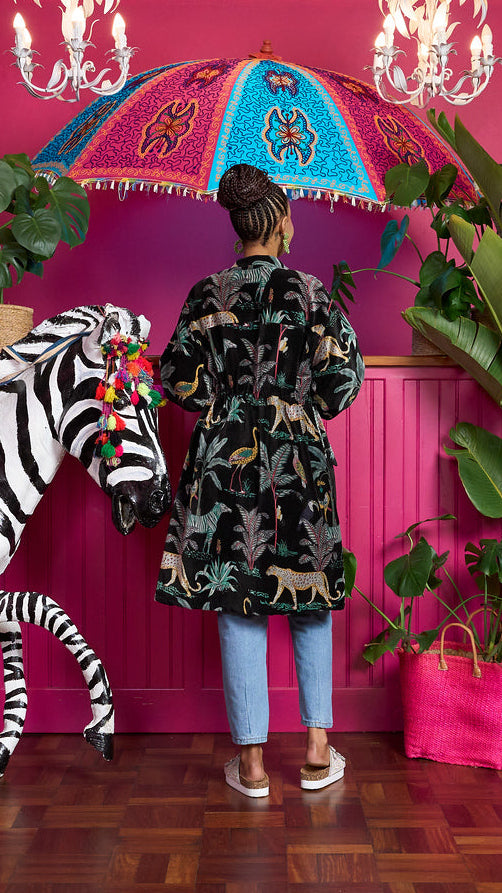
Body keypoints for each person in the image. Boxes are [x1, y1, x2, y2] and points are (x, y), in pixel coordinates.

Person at [155, 163, 364, 798]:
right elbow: (343, 381)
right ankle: (317, 751)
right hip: (298, 461)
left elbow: (177, 378)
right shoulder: (311, 294)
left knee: (237, 599)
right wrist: (298, 407)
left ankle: (250, 766)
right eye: (290, 215)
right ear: (278, 223)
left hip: (225, 459)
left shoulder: (205, 295)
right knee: (309, 594)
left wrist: (225, 404)